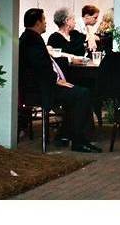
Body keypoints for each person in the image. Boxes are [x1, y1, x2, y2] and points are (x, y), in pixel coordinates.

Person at [18, 8, 101, 153]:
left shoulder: (28, 38)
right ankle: (79, 141)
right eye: (43, 20)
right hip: (41, 90)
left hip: (40, 86)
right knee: (82, 94)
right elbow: (39, 68)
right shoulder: (33, 41)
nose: (45, 23)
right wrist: (56, 80)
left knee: (77, 92)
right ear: (37, 22)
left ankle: (65, 135)